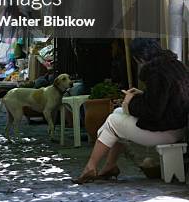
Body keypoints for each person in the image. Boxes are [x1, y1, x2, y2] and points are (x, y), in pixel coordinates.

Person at [72, 38, 189, 183]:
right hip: (178, 125)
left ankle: (91, 167)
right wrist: (141, 95)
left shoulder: (156, 73)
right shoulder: (174, 65)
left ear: (139, 57)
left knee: (113, 121)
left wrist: (130, 102)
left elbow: (153, 111)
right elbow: (164, 100)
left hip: (168, 130)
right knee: (117, 114)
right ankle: (109, 166)